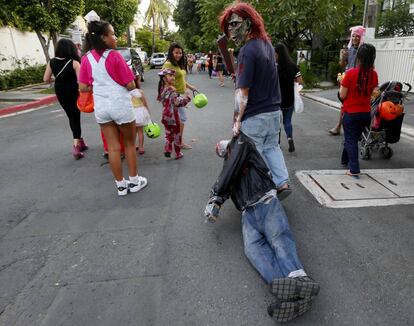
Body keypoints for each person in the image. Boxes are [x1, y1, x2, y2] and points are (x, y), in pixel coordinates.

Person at [205, 134, 320, 323]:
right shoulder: (229, 170)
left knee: (279, 239)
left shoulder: (243, 144)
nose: (221, 151)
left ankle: (299, 278)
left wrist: (216, 193)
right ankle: (287, 292)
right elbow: (226, 179)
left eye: (223, 149)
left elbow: (228, 171)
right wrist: (216, 203)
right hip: (247, 213)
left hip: (265, 201)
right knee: (253, 250)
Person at [219, 2, 291, 199]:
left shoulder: (247, 50)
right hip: (274, 112)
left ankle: (261, 195)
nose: (231, 30)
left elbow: (243, 92)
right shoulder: (266, 45)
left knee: (252, 156)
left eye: (235, 24)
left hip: (255, 115)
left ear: (249, 23)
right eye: (229, 26)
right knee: (272, 148)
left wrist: (236, 121)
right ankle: (281, 182)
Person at [78, 11, 147, 196]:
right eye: (113, 34)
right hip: (121, 107)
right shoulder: (115, 56)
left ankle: (121, 186)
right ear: (104, 38)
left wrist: (99, 86)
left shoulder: (87, 59)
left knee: (113, 147)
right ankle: (134, 181)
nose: (115, 37)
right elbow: (130, 84)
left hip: (102, 109)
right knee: (130, 144)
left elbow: (83, 87)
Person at [43, 38, 87, 160]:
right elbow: (81, 82)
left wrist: (58, 78)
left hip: (60, 91)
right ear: (71, 49)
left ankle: (80, 141)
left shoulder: (51, 62)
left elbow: (46, 79)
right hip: (73, 92)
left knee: (70, 116)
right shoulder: (74, 63)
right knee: (75, 116)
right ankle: (76, 146)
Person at [340, 43, 378, 177]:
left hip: (351, 112)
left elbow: (342, 95)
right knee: (353, 138)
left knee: (350, 139)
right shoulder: (374, 74)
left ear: (359, 57)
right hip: (366, 113)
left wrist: (342, 84)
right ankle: (345, 159)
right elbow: (374, 94)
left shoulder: (350, 73)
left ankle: (354, 169)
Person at [329, 25, 366, 136]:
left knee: (353, 104)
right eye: (353, 36)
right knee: (344, 103)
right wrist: (342, 57)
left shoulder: (364, 50)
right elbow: (342, 65)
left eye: (357, 36)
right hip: (347, 79)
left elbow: (366, 66)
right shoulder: (348, 49)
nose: (354, 38)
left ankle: (344, 127)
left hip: (358, 81)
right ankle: (339, 126)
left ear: (361, 38)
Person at [162, 43, 197, 150]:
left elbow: (181, 80)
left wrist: (190, 88)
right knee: (180, 119)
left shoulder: (177, 64)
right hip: (173, 96)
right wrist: (173, 95)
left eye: (180, 53)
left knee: (176, 120)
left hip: (179, 95)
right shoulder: (168, 64)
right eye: (176, 52)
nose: (178, 55)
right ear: (171, 53)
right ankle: (178, 142)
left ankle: (173, 140)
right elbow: (165, 80)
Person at [275, 43, 304, 153]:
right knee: (287, 121)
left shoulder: (275, 67)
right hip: (289, 99)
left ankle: (277, 144)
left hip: (276, 99)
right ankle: (290, 139)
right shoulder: (293, 66)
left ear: (278, 54)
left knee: (276, 123)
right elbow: (300, 82)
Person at [157, 68, 191, 159]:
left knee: (168, 133)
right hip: (173, 116)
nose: (173, 78)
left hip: (165, 115)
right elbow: (177, 103)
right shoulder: (172, 89)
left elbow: (166, 100)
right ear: (164, 78)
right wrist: (187, 98)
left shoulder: (162, 89)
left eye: (173, 76)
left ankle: (167, 149)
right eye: (170, 75)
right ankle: (178, 153)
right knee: (176, 134)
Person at [132, 88, 151, 155]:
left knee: (133, 131)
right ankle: (141, 147)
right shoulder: (140, 91)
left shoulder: (127, 92)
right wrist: (148, 110)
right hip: (140, 112)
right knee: (140, 131)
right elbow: (144, 102)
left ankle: (133, 145)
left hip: (132, 112)